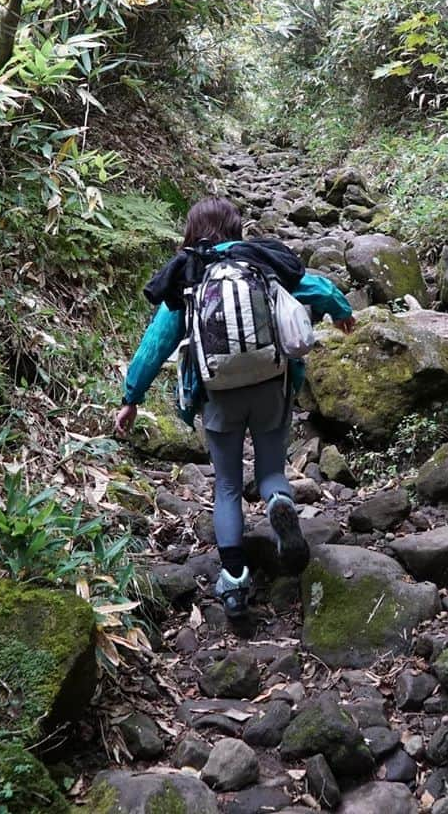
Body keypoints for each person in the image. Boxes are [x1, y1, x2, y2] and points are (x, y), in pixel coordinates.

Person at [114, 196, 354, 620]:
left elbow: (155, 345)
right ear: (235, 228)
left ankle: (235, 581)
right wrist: (342, 311)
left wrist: (131, 398)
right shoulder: (257, 260)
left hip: (219, 392)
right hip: (270, 385)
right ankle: (279, 502)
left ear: (192, 232)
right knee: (271, 470)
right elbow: (314, 286)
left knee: (225, 485)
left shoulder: (189, 275)